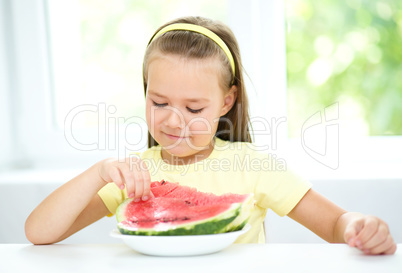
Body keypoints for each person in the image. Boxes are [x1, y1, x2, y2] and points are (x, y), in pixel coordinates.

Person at [25, 16, 396, 255]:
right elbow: (39, 233)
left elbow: (333, 224)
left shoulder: (252, 165)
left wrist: (360, 228)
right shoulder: (136, 174)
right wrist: (99, 171)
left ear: (226, 101)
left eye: (194, 108)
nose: (174, 121)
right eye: (159, 102)